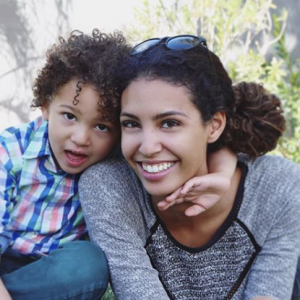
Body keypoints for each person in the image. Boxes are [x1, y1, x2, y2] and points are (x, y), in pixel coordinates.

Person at [79, 34, 300, 300]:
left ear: (215, 125)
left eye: (170, 123)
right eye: (132, 123)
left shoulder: (278, 186)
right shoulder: (110, 187)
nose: (147, 147)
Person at [0, 29, 130, 300]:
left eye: (102, 126)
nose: (81, 138)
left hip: (49, 275)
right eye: (70, 116)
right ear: (46, 106)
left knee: (87, 264)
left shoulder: (113, 168)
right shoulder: (11, 152)